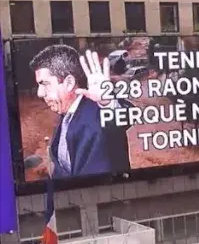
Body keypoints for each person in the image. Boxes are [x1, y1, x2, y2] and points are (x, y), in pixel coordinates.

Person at [29, 44, 131, 179]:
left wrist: (107, 103)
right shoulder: (68, 111)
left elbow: (125, 117)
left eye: (45, 84)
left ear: (69, 83)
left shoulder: (96, 118)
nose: (40, 93)